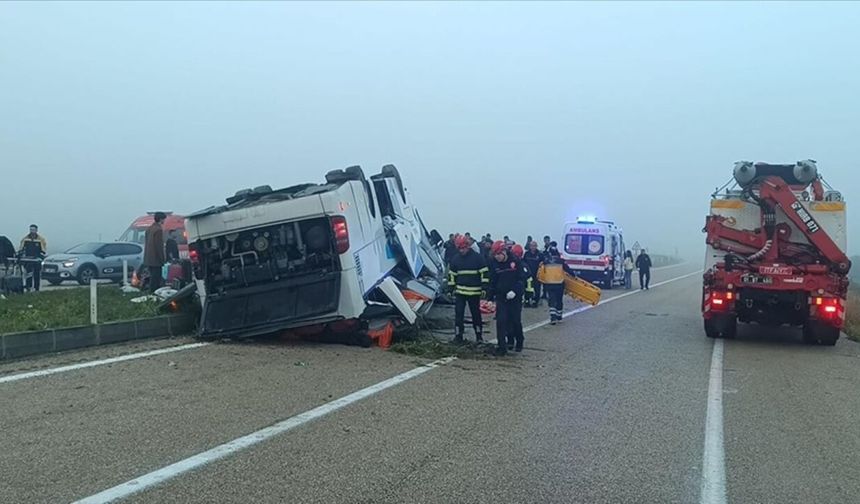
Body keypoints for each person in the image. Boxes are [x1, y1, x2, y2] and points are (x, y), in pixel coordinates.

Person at [488, 240, 528, 355]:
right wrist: (490, 299)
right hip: (501, 297)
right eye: (495, 255)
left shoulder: (515, 262)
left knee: (515, 321)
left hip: (514, 298)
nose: (497, 257)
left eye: (498, 254)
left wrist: (515, 291)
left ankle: (519, 340)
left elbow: (521, 279)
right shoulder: (495, 264)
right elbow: (493, 282)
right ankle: (502, 347)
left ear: (504, 252)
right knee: (501, 321)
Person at [448, 234, 489, 343]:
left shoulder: (478, 258)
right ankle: (458, 336)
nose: (461, 251)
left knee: (476, 315)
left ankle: (479, 336)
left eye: (463, 248)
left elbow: (484, 274)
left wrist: (484, 288)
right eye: (459, 248)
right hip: (460, 292)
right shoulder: (455, 259)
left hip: (474, 292)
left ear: (468, 246)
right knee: (458, 315)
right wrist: (450, 288)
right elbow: (452, 275)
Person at [539, 243, 574, 324]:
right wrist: (574, 276)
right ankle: (559, 317)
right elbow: (568, 270)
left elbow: (541, 272)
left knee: (552, 301)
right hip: (559, 284)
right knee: (559, 300)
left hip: (550, 284)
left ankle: (553, 317)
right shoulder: (561, 261)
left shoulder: (546, 261)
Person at [18, 224, 47, 292]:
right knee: (28, 274)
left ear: (36, 230)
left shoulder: (41, 239)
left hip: (37, 260)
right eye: (31, 229)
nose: (32, 231)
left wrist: (40, 256)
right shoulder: (25, 239)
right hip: (28, 259)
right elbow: (21, 249)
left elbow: (43, 250)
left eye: (33, 230)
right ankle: (29, 287)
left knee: (36, 274)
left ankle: (36, 288)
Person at [144, 212, 167, 291]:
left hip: (148, 259)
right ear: (161, 219)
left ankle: (150, 293)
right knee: (156, 279)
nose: (164, 221)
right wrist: (162, 259)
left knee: (152, 278)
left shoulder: (149, 229)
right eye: (164, 219)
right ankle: (154, 294)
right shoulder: (158, 230)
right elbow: (159, 246)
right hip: (156, 259)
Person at [522, 241, 544, 307]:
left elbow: (544, 261)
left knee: (537, 288)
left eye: (534, 245)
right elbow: (523, 262)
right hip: (528, 275)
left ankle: (535, 301)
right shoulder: (526, 254)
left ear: (536, 246)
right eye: (531, 245)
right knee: (527, 288)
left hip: (537, 274)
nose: (533, 247)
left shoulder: (540, 254)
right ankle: (527, 301)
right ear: (529, 246)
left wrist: (542, 262)